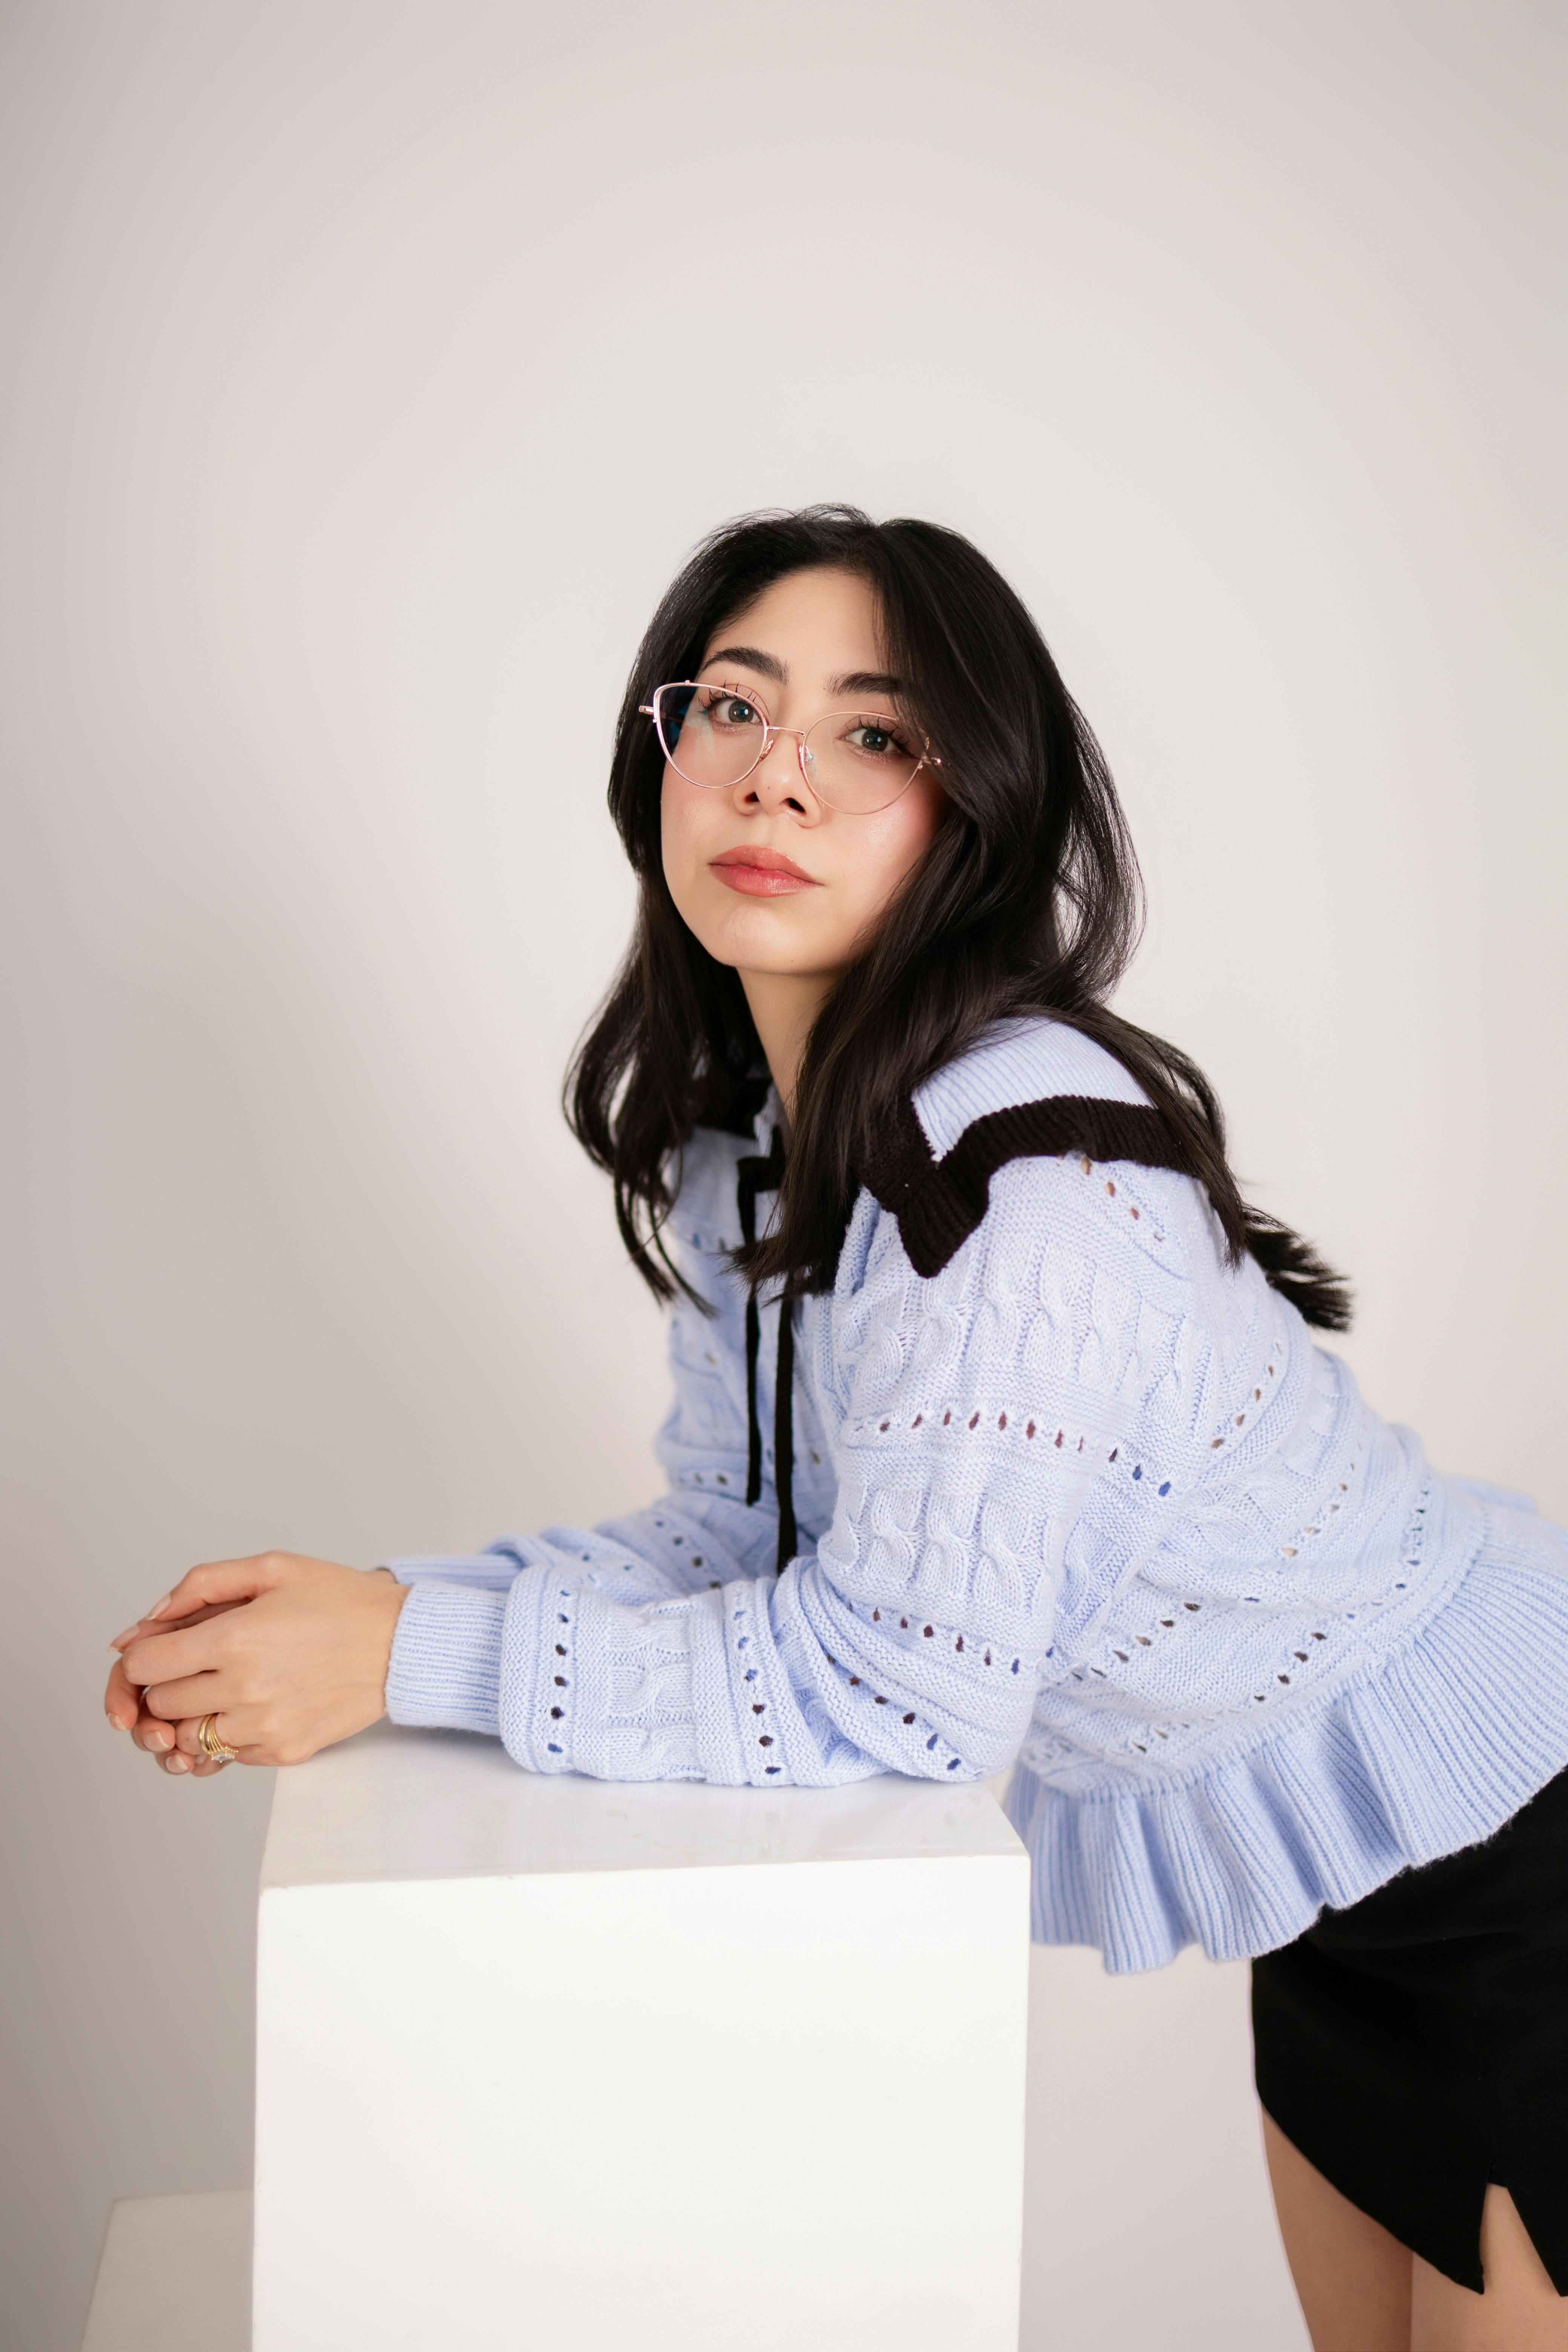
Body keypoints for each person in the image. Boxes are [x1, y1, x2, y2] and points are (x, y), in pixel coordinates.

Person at [104, 507, 1568, 2351]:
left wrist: (412, 1649)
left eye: (872, 734)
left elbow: (898, 1691)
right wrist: (340, 1629)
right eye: (730, 706)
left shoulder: (1018, 1173)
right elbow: (740, 1550)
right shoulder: (764, 1144)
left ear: (972, 810)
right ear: (658, 759)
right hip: (1345, 1902)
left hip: (1519, 1858)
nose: (775, 777)